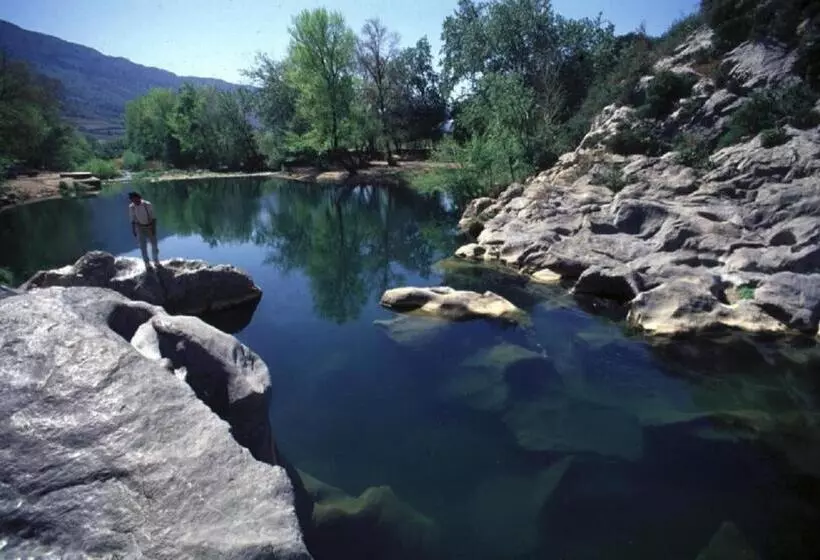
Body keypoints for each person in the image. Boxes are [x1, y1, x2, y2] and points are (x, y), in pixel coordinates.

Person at [128, 191, 159, 265]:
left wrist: (153, 228)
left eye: (135, 199)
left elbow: (154, 218)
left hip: (150, 226)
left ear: (139, 198)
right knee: (142, 247)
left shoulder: (147, 204)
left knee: (154, 245)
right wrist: (133, 230)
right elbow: (132, 219)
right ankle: (147, 263)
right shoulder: (131, 207)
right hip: (140, 227)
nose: (134, 201)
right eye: (132, 200)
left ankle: (156, 260)